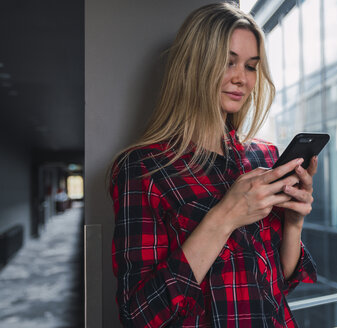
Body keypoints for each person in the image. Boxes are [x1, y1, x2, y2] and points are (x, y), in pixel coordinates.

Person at [110, 2, 317, 327]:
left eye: (251, 66)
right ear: (194, 64)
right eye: (228, 62)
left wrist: (293, 223)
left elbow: (279, 285)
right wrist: (224, 217)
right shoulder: (144, 168)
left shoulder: (263, 157)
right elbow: (140, 316)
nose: (242, 79)